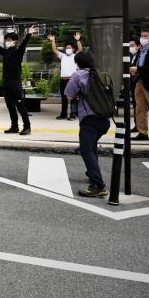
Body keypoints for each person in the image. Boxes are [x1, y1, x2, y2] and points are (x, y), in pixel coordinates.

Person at [64, 51, 111, 197]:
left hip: (89, 119)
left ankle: (98, 185)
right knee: (92, 147)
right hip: (104, 119)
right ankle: (92, 174)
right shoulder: (103, 75)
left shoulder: (78, 75)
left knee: (86, 150)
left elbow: (69, 95)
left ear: (77, 62)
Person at [0, 25, 36, 135]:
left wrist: (29, 34)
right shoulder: (5, 52)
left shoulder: (18, 52)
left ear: (14, 42)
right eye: (6, 40)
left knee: (20, 106)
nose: (7, 41)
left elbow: (24, 44)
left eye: (9, 40)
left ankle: (27, 127)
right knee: (10, 106)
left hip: (15, 83)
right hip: (6, 82)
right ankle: (14, 126)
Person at [48, 32, 83, 120]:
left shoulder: (75, 56)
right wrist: (53, 41)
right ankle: (63, 114)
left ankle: (73, 115)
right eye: (67, 48)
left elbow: (81, 50)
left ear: (73, 49)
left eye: (69, 48)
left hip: (72, 80)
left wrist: (78, 40)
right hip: (63, 80)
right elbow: (54, 50)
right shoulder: (62, 56)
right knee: (64, 98)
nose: (68, 49)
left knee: (73, 98)